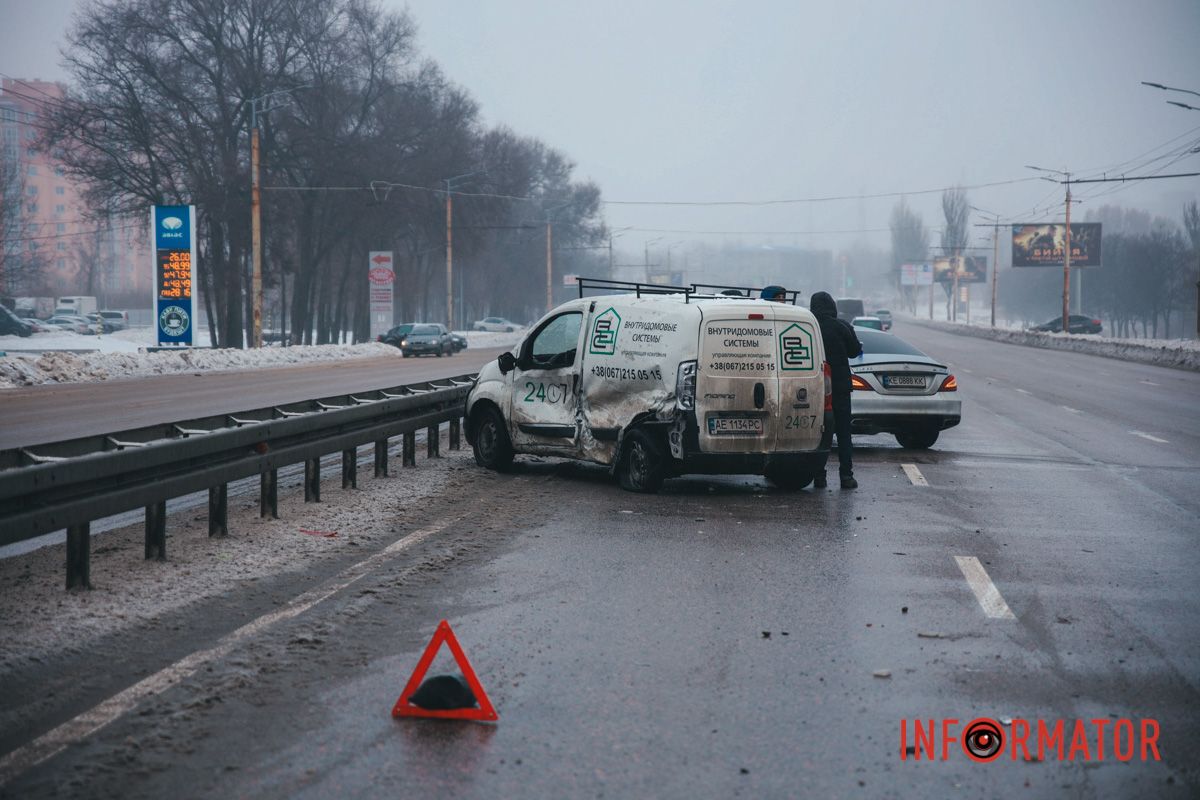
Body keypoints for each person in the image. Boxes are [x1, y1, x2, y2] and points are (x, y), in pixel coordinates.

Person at [809, 291, 863, 489]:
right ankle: (846, 476)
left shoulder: (810, 327)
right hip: (840, 388)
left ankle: (819, 476)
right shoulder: (842, 326)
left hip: (815, 389)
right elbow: (854, 351)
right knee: (844, 434)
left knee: (819, 433)